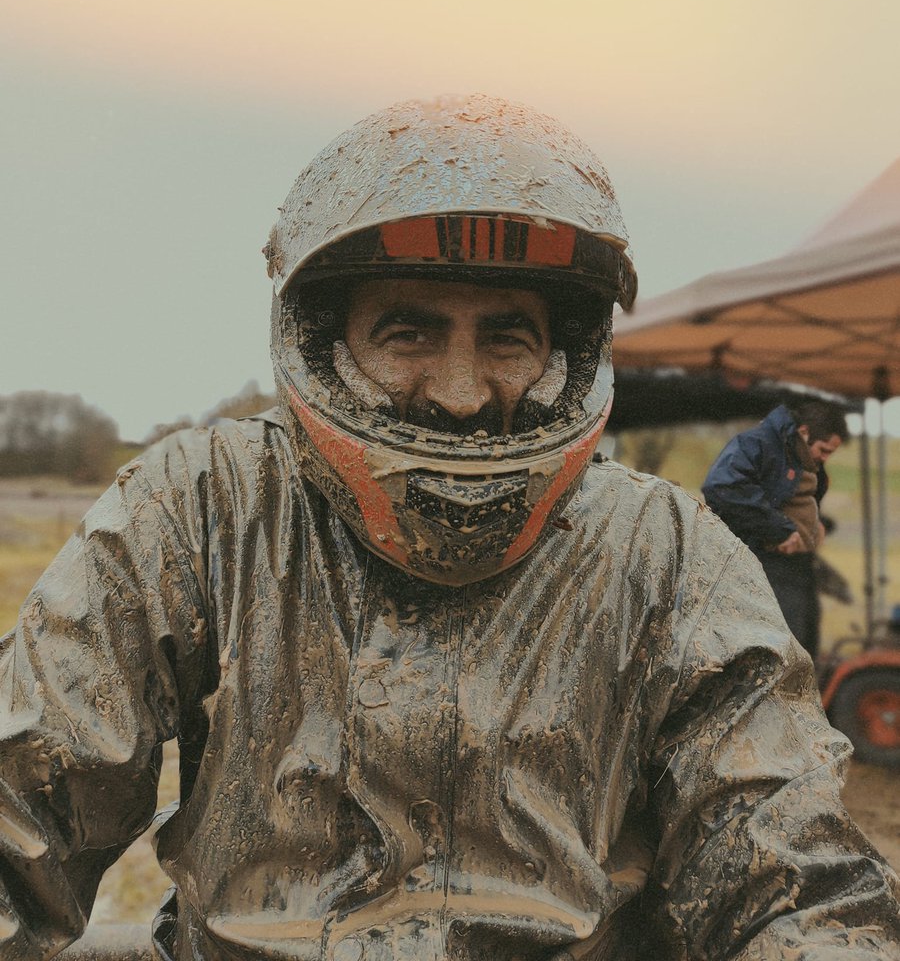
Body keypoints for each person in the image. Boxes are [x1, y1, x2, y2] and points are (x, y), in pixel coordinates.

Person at [1, 95, 898, 961]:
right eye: (408, 333)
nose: (462, 392)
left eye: (508, 338)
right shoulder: (203, 508)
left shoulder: (663, 553)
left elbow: (793, 875)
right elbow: (21, 799)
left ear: (563, 355)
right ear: (328, 341)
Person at [702, 400, 849, 656]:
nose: (825, 459)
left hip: (799, 564)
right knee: (782, 650)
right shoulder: (757, 443)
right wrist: (778, 529)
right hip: (766, 562)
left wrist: (818, 524)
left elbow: (792, 501)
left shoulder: (801, 456)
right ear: (804, 432)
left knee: (805, 646)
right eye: (824, 450)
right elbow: (724, 488)